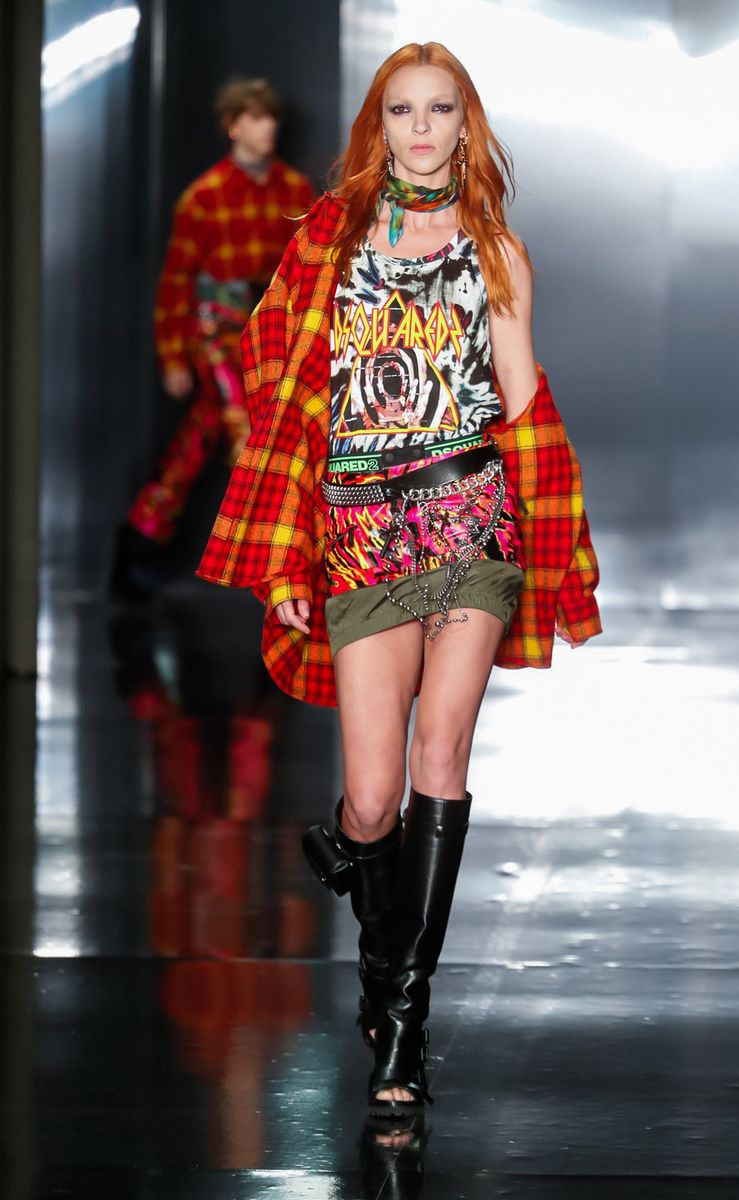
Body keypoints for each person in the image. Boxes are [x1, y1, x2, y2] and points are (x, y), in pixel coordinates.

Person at [197, 43, 602, 1120]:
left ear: (466, 125)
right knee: (374, 799)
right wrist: (284, 549)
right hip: (359, 528)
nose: (421, 129)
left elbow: (520, 401)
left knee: (440, 755)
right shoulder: (326, 245)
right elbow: (283, 396)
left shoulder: (496, 251)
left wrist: (556, 544)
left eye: (440, 110)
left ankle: (405, 1027)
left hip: (469, 516)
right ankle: (376, 947)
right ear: (377, 128)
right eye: (401, 111)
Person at [110, 78, 315, 601]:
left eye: (271, 117)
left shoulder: (295, 191)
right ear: (233, 126)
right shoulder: (203, 197)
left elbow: (312, 268)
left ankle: (140, 539)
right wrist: (173, 356)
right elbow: (175, 282)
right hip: (217, 328)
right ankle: (273, 562)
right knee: (246, 424)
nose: (268, 126)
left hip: (272, 328)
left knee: (205, 431)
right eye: (256, 117)